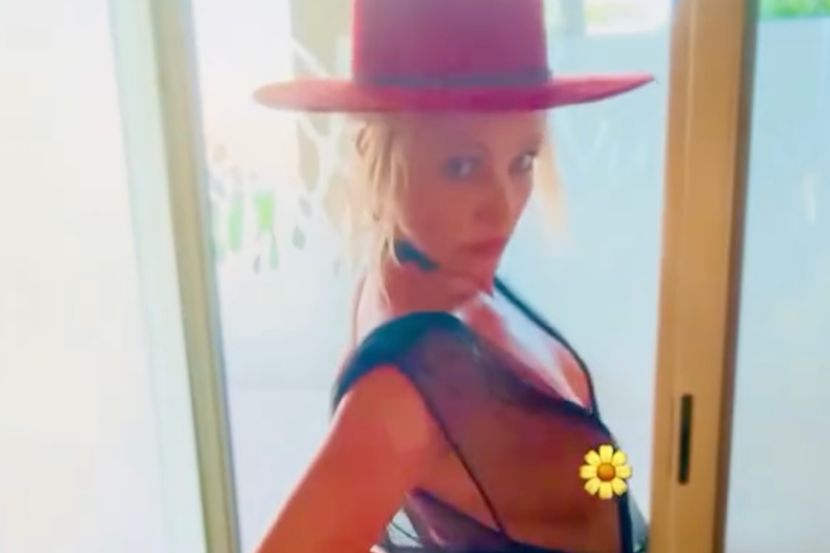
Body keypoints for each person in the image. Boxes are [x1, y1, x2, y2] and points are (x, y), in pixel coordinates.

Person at [253, 0, 651, 551]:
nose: (503, 207)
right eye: (462, 166)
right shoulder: (401, 390)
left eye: (523, 160)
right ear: (374, 151)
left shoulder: (427, 275)